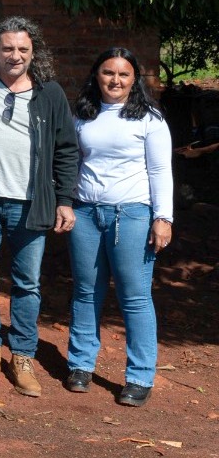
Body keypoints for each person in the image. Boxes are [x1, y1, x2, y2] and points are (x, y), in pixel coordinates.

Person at [0, 18, 79, 397]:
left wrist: (64, 200)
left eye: (23, 49)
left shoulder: (50, 93)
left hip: (32, 204)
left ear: (33, 53)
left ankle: (22, 354)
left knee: (27, 282)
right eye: (7, 48)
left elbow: (66, 150)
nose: (15, 56)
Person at [66, 48, 172, 408]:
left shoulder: (149, 119)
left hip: (131, 216)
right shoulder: (82, 115)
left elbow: (160, 172)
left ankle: (140, 376)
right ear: (96, 75)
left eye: (124, 75)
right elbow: (71, 161)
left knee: (135, 297)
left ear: (134, 80)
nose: (115, 80)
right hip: (86, 214)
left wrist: (163, 218)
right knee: (85, 291)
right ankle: (80, 365)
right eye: (108, 73)